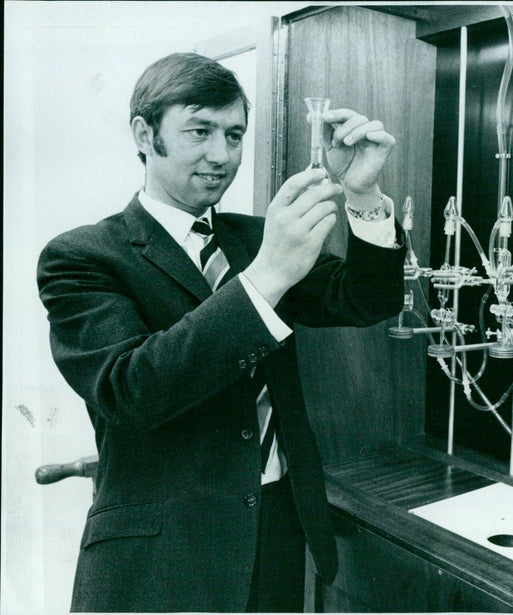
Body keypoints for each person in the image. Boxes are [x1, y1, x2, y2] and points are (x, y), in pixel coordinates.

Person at [37, 52, 405, 613]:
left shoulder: (255, 238)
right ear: (144, 133)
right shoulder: (83, 255)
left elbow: (363, 300)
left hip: (278, 527)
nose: (221, 155)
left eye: (234, 135)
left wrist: (362, 193)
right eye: (199, 131)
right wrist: (266, 277)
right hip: (162, 556)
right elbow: (132, 390)